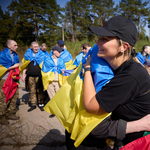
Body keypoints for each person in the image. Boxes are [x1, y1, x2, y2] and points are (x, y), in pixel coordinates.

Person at [66, 16, 150, 150]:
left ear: (123, 47)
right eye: (99, 37)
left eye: (104, 39)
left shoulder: (130, 75)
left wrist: (87, 68)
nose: (97, 42)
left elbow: (90, 106)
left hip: (137, 144)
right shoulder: (116, 69)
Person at [41, 45, 66, 117]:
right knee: (52, 97)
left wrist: (63, 71)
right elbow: (44, 71)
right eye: (59, 52)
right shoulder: (47, 60)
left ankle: (60, 110)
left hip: (58, 81)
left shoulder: (61, 60)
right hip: (50, 81)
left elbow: (63, 68)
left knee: (58, 96)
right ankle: (54, 111)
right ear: (54, 52)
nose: (60, 53)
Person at [0, 39, 20, 125]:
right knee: (3, 97)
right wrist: (13, 67)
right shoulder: (2, 55)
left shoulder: (15, 55)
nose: (17, 47)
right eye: (15, 45)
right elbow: (1, 68)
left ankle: (10, 113)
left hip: (13, 78)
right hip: (5, 79)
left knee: (15, 95)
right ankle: (1, 116)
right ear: (9, 46)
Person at [22, 42, 45, 112]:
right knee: (32, 90)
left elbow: (45, 66)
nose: (36, 48)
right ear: (31, 47)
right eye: (35, 46)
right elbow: (24, 66)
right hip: (30, 76)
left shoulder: (42, 55)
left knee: (40, 90)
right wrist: (23, 75)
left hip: (39, 76)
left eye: (37, 46)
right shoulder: (27, 55)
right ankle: (33, 104)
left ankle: (41, 104)